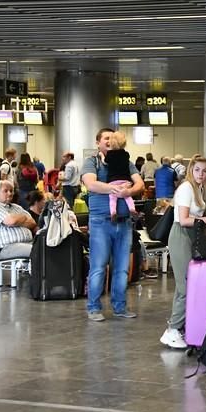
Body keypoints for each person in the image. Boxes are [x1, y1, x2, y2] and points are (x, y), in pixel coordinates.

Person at [160, 156, 206, 349]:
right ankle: (172, 330)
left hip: (190, 236)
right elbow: (183, 219)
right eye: (197, 170)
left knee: (187, 283)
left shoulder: (198, 189)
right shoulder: (186, 189)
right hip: (181, 235)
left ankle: (178, 327)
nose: (201, 174)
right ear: (191, 170)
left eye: (204, 171)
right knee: (184, 286)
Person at [82, 127, 144, 322]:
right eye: (106, 138)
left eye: (112, 138)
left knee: (122, 268)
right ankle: (93, 307)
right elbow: (91, 184)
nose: (109, 141)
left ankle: (120, 307)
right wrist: (115, 189)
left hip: (124, 223)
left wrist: (129, 193)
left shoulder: (126, 161)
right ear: (98, 143)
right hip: (100, 222)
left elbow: (139, 184)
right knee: (99, 267)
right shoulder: (92, 162)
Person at [0, 180, 36, 259]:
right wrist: (24, 217)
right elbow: (11, 221)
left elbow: (32, 223)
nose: (10, 193)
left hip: (28, 243)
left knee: (47, 249)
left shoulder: (17, 207)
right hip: (8, 247)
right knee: (38, 251)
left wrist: (17, 220)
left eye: (11, 191)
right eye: (5, 191)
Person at [105, 132, 137, 221]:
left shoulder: (109, 154)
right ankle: (132, 209)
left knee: (112, 198)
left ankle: (113, 212)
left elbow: (106, 161)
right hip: (125, 180)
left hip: (113, 180)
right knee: (127, 196)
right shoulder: (126, 154)